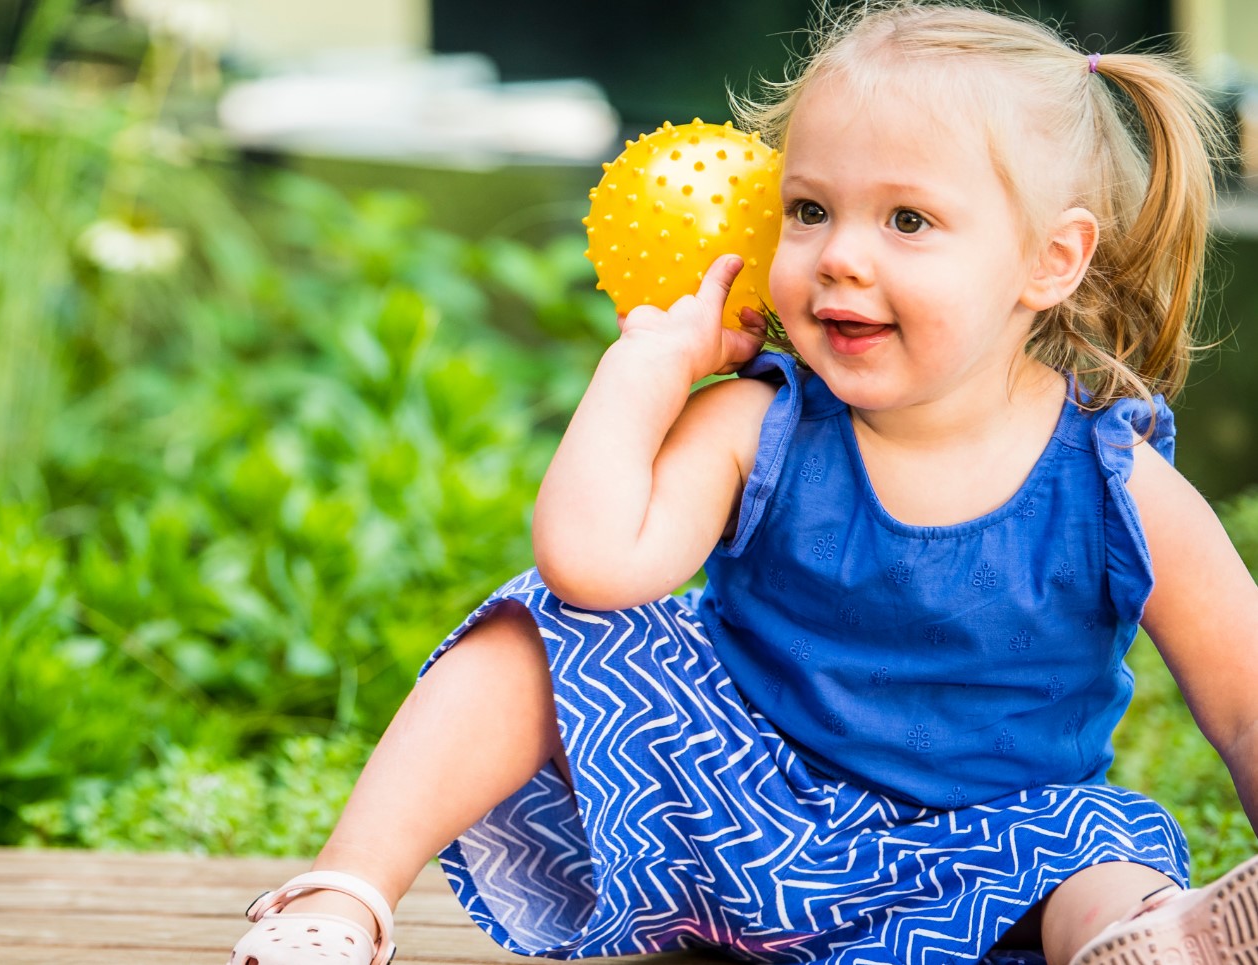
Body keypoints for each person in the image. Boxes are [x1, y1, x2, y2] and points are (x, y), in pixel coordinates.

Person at [228, 2, 1258, 962]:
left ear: (1051, 259)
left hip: (987, 856)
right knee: (534, 631)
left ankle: (1148, 936)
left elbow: (1246, 706)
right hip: (738, 823)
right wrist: (646, 365)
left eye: (907, 220)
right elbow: (591, 565)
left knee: (1095, 851)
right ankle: (342, 894)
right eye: (809, 209)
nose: (839, 257)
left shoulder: (1118, 485)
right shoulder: (760, 422)